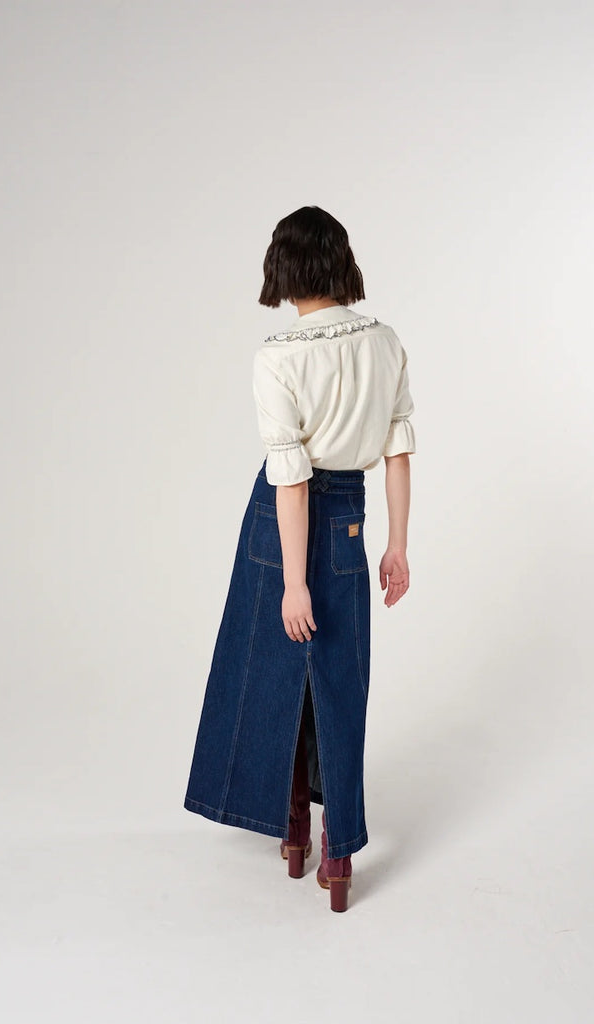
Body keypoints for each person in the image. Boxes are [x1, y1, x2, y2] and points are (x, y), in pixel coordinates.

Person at [184, 205, 415, 912]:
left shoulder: (278, 356)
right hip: (348, 518)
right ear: (341, 261)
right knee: (339, 682)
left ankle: (291, 830)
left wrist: (292, 583)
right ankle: (335, 853)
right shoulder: (384, 342)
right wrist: (396, 545)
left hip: (279, 520)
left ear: (283, 268)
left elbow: (289, 479)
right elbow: (398, 447)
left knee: (267, 672)